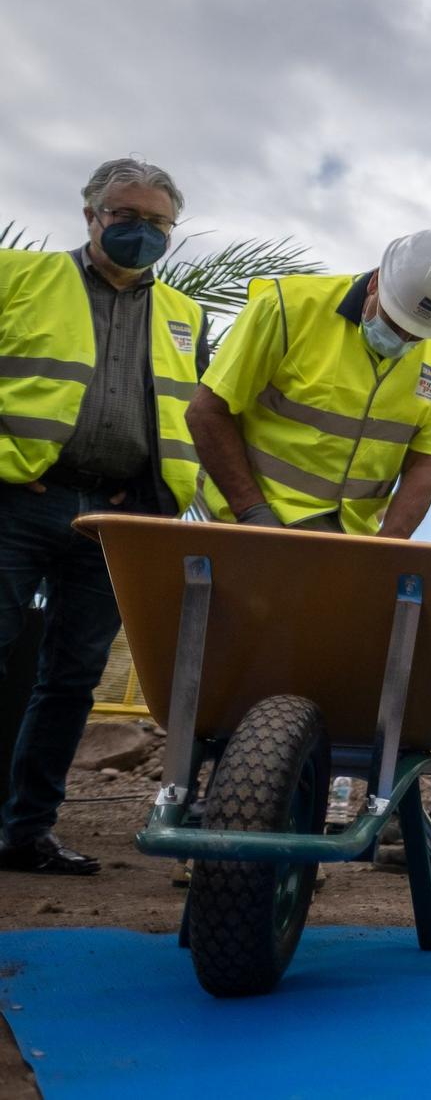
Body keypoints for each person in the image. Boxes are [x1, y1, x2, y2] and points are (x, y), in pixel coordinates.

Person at [0, 159, 208, 876]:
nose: (141, 231)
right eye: (126, 216)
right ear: (91, 215)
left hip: (118, 517)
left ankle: (25, 831)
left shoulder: (185, 315)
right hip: (20, 499)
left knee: (72, 677)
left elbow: (191, 414)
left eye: (157, 222)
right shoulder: (19, 278)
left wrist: (153, 495)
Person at [188, 230, 431, 537]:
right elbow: (206, 412)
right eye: (395, 322)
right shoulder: (289, 308)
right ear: (375, 283)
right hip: (250, 522)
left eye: (418, 335)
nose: (403, 339)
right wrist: (253, 512)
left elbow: (425, 462)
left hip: (352, 540)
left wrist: (389, 548)